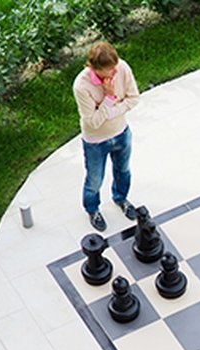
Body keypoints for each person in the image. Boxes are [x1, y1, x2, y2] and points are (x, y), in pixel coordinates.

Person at [73, 41, 140, 232]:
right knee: (94, 180)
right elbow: (92, 122)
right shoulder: (81, 86)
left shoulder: (122, 68)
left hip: (121, 132)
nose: (114, 72)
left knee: (123, 170)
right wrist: (110, 98)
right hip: (95, 141)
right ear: (95, 69)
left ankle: (121, 198)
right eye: (109, 70)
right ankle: (92, 209)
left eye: (114, 67)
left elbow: (134, 98)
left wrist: (107, 111)